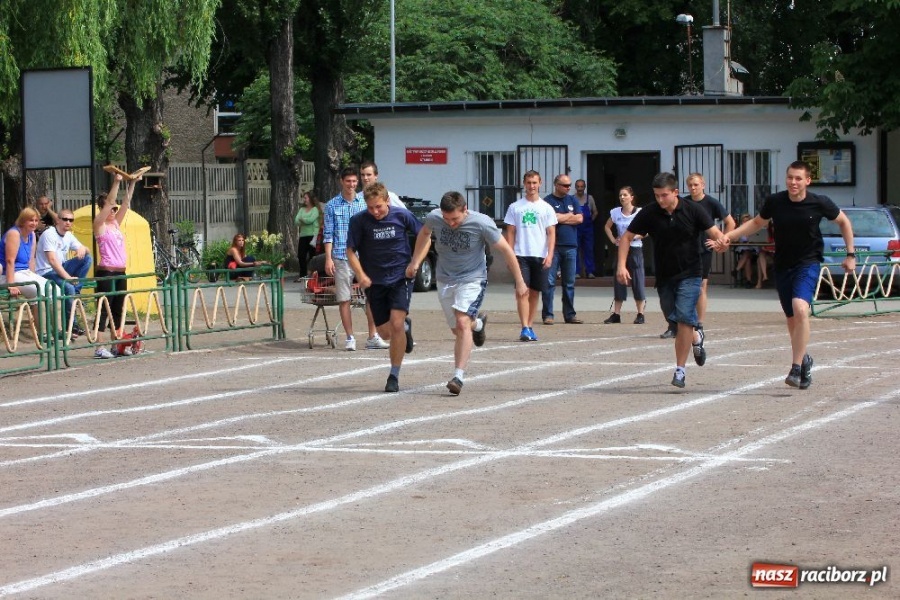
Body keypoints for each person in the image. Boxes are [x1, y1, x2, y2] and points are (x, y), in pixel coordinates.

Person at [712, 161, 855, 390]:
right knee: (792, 318)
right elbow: (756, 223)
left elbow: (844, 222)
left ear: (807, 181)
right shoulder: (775, 201)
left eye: (798, 178)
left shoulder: (819, 202)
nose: (793, 182)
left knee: (801, 309)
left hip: (808, 263)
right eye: (790, 177)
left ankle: (795, 368)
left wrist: (850, 254)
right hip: (783, 265)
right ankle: (804, 359)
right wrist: (729, 237)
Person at [407, 190, 528, 395]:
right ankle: (478, 324)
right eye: (447, 219)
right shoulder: (434, 217)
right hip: (445, 278)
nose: (450, 223)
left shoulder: (482, 223)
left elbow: (506, 250)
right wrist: (415, 261)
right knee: (458, 329)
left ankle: (458, 377)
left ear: (465, 209)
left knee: (462, 322)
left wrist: (520, 280)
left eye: (455, 219)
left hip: (473, 279)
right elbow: (425, 234)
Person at [618, 172, 727, 388]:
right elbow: (627, 237)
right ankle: (696, 338)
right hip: (665, 276)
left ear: (675, 192)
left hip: (691, 273)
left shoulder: (693, 210)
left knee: (685, 317)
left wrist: (722, 242)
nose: (660, 199)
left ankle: (680, 370)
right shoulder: (650, 212)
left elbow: (715, 232)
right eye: (657, 195)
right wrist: (621, 265)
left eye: (664, 195)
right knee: (674, 320)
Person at [347, 182, 421, 392]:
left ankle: (393, 375)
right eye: (371, 208)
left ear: (387, 201)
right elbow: (350, 251)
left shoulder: (402, 216)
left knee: (395, 323)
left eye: (378, 206)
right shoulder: (359, 221)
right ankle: (405, 328)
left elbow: (425, 235)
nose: (375, 212)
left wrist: (415, 263)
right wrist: (360, 274)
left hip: (400, 278)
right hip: (374, 281)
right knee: (385, 333)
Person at [659, 172, 735, 338]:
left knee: (700, 287)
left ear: (703, 185)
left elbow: (730, 222)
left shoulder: (711, 203)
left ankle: (698, 324)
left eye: (696, 185)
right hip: (684, 251)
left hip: (703, 250)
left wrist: (720, 241)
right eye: (690, 185)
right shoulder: (683, 202)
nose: (693, 188)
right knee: (677, 286)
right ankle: (674, 325)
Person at [323, 166, 389, 351]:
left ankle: (373, 336)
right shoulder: (332, 205)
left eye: (354, 181)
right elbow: (328, 234)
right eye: (348, 181)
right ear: (341, 182)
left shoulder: (364, 202)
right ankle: (350, 337)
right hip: (341, 256)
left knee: (371, 297)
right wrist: (328, 258)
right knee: (344, 298)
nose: (351, 184)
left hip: (365, 256)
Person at [503, 170, 557, 341]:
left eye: (534, 183)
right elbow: (510, 232)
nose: (531, 186)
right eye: (528, 183)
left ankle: (530, 326)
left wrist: (550, 255)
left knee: (534, 293)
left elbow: (551, 233)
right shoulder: (515, 207)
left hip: (540, 255)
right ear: (524, 184)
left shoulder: (546, 208)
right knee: (521, 291)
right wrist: (510, 255)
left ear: (540, 183)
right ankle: (524, 327)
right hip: (521, 255)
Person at [92, 173, 139, 359]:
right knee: (104, 310)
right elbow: (110, 202)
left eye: (114, 208)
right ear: (103, 208)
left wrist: (132, 183)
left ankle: (117, 345)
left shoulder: (115, 224)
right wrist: (116, 182)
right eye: (110, 208)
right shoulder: (99, 225)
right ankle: (99, 347)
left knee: (119, 310)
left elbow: (126, 203)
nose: (113, 210)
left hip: (120, 272)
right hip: (107, 272)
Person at [35, 207, 92, 336]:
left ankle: (76, 291)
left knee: (87, 258)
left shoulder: (68, 235)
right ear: (58, 220)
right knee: (68, 288)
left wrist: (82, 248)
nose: (68, 222)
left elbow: (86, 250)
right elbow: (52, 261)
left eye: (71, 220)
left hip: (60, 268)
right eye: (65, 219)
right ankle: (71, 325)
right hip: (46, 272)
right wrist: (68, 278)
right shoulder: (49, 234)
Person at [0, 207, 54, 339]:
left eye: (36, 220)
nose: (34, 223)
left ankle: (57, 329)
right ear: (23, 221)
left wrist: (34, 276)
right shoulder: (14, 234)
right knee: (38, 291)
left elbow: (31, 260)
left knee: (55, 290)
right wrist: (11, 285)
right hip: (8, 274)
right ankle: (43, 332)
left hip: (25, 272)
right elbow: (10, 261)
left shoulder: (31, 235)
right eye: (31, 220)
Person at [541, 174, 583, 325]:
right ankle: (548, 315)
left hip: (571, 246)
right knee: (549, 282)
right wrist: (569, 216)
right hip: (553, 247)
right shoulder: (547, 201)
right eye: (565, 185)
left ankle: (570, 315)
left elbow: (580, 218)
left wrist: (560, 217)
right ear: (556, 185)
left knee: (569, 283)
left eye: (569, 185)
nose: (568, 188)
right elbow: (549, 220)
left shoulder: (573, 200)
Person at [602, 186, 646, 324]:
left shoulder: (639, 212)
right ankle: (616, 314)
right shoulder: (616, 212)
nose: (622, 197)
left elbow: (646, 231)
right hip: (621, 249)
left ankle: (640, 313)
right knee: (619, 280)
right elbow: (607, 226)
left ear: (631, 197)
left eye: (625, 195)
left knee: (637, 280)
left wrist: (634, 237)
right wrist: (613, 239)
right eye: (620, 195)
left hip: (635, 249)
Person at [293, 190, 323, 281]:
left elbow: (310, 220)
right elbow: (296, 221)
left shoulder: (315, 209)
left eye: (305, 198)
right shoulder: (302, 209)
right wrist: (304, 220)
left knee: (312, 256)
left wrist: (302, 219)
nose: (304, 200)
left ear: (310, 199)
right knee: (301, 255)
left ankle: (312, 275)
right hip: (303, 235)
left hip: (313, 235)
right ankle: (302, 275)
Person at [573, 179, 598, 278]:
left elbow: (595, 212)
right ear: (575, 187)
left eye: (581, 186)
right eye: (578, 186)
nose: (580, 189)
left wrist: (591, 220)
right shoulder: (572, 198)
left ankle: (590, 271)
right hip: (576, 228)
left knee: (589, 249)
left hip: (588, 229)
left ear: (584, 187)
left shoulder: (589, 198)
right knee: (575, 250)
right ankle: (576, 272)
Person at [733, 213, 758, 287]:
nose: (745, 223)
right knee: (747, 257)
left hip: (753, 250)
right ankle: (748, 281)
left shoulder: (755, 229)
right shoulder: (739, 229)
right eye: (744, 221)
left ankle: (736, 270)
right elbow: (735, 240)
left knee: (748, 255)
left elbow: (759, 239)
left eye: (747, 221)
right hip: (743, 249)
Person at [755, 221, 776, 289]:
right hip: (769, 256)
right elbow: (763, 247)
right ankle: (765, 276)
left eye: (774, 226)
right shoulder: (766, 235)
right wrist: (765, 248)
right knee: (761, 255)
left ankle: (760, 282)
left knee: (759, 260)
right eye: (772, 226)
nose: (773, 228)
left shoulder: (781, 235)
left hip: (778, 257)